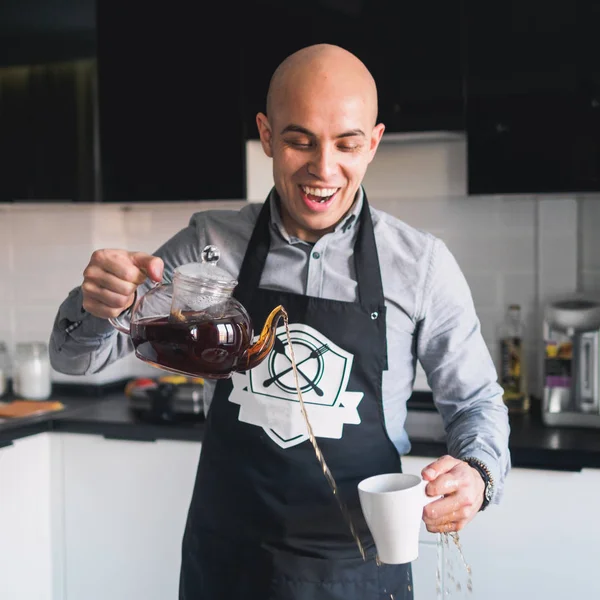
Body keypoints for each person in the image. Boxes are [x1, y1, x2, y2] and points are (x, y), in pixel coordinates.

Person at [50, 43, 510, 599]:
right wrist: (96, 300)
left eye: (347, 143)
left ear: (374, 143)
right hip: (228, 565)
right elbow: (76, 357)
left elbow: (476, 402)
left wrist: (478, 477)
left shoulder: (421, 266)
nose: (323, 168)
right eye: (299, 140)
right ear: (266, 135)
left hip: (359, 569)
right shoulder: (209, 245)